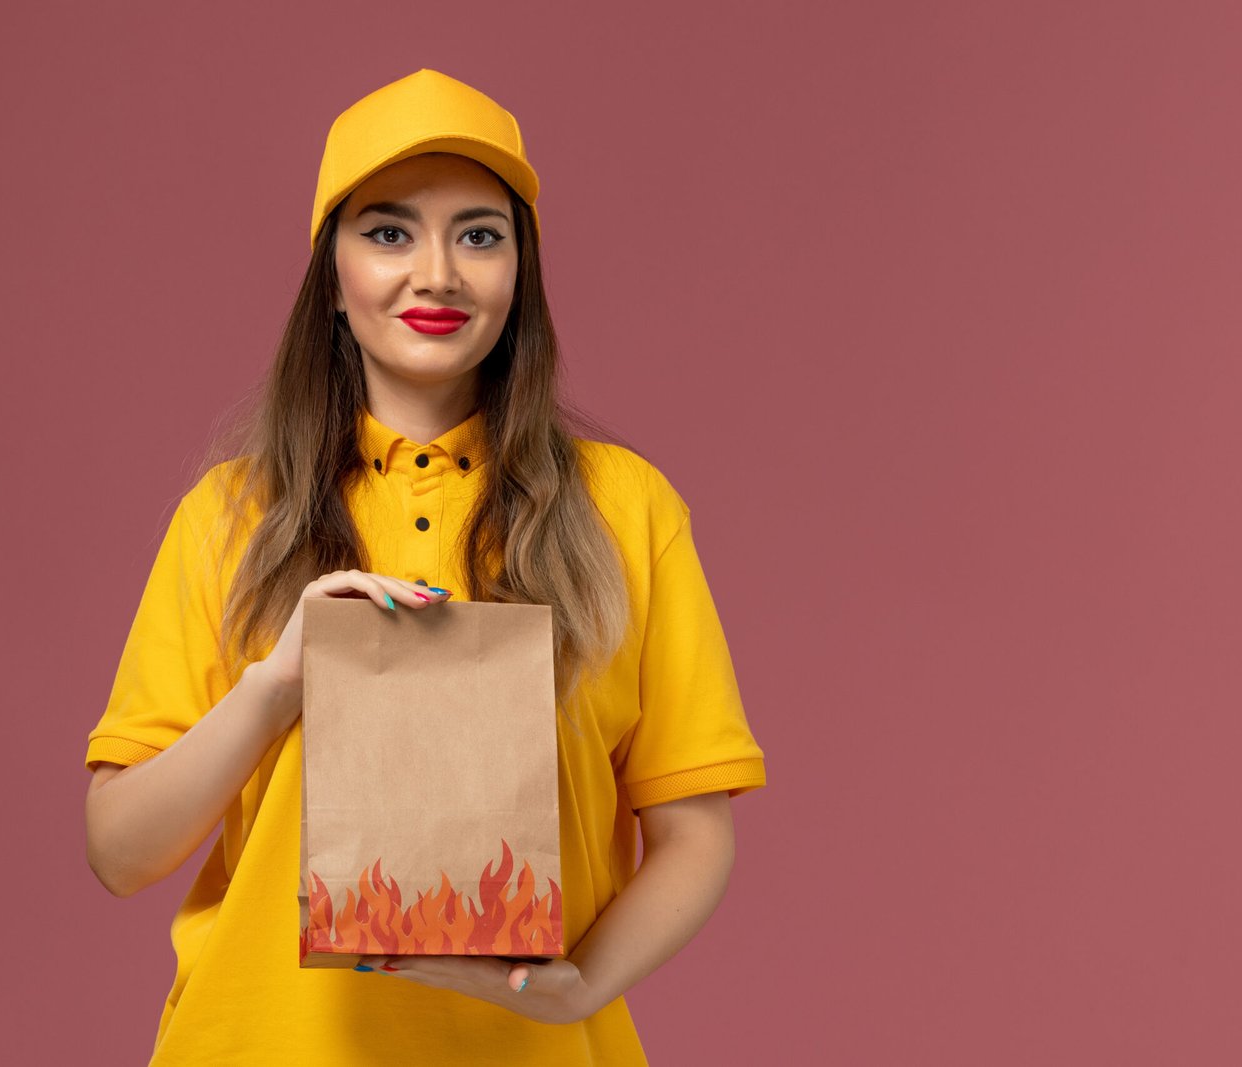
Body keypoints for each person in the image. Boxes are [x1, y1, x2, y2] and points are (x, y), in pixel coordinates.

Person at [83, 68, 767, 1065]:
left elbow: (695, 830)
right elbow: (119, 849)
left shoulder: (627, 510)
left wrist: (581, 983)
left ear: (520, 273)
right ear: (331, 276)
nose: (437, 272)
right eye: (389, 231)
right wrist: (276, 685)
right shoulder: (231, 516)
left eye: (480, 234)